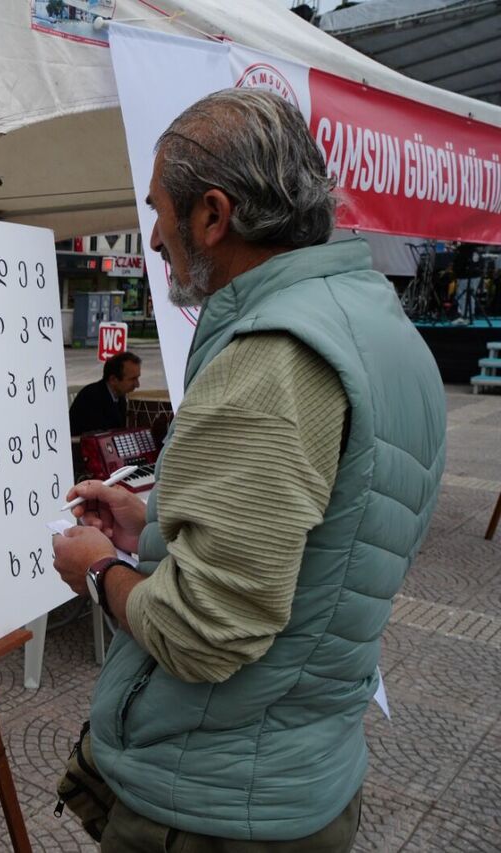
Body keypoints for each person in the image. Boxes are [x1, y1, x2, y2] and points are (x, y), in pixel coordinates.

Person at [52, 88, 445, 851]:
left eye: (160, 208)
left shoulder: (273, 359)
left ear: (213, 214)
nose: (155, 235)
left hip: (215, 802)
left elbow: (202, 634)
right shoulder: (375, 322)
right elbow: (329, 524)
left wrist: (99, 569)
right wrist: (155, 521)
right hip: (301, 766)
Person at [68, 350, 141, 437]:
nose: (137, 385)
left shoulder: (118, 395)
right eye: (132, 379)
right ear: (113, 379)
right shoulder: (91, 398)